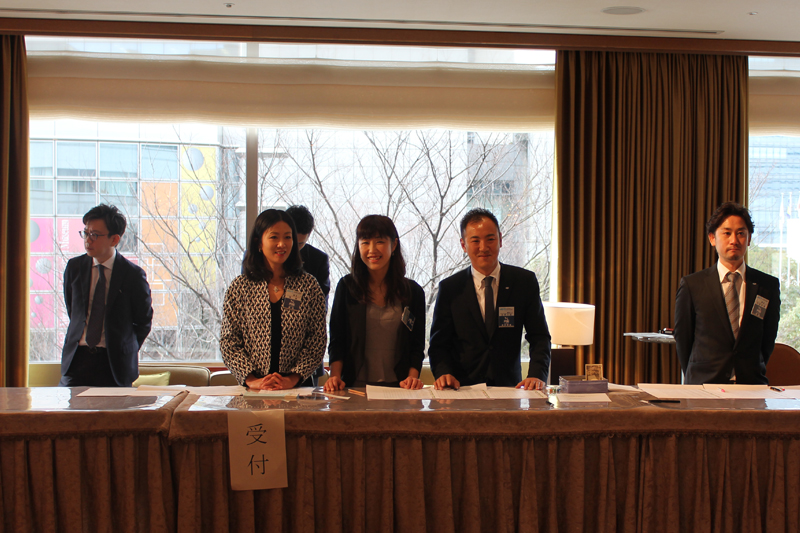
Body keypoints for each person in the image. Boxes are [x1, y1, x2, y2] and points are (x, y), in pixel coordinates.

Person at [428, 208, 551, 390]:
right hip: (463, 390)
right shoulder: (450, 288)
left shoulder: (523, 282)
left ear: (500, 239)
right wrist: (443, 373)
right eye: (475, 240)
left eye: (490, 239)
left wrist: (536, 375)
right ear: (463, 245)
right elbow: (439, 344)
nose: (483, 247)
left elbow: (539, 336)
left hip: (509, 389)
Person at [674, 202, 781, 384]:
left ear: (749, 239)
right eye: (727, 233)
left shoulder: (767, 286)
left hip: (751, 386)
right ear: (712, 238)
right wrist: (695, 376)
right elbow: (683, 339)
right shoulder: (692, 285)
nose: (734, 240)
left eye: (741, 233)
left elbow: (768, 339)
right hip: (704, 385)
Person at [221, 209, 326, 390]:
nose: (281, 244)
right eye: (274, 237)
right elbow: (229, 341)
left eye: (287, 237)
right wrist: (252, 380)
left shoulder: (308, 286)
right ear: (259, 242)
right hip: (254, 389)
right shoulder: (240, 287)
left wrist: (292, 379)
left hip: (298, 389)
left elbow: (316, 341)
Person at [325, 215, 425, 391]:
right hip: (354, 387)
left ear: (394, 245)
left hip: (400, 388)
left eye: (380, 242)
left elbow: (416, 344)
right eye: (365, 242)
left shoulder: (413, 292)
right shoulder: (347, 287)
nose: (372, 250)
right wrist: (335, 377)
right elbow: (337, 339)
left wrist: (412, 378)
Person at [60, 204, 153, 387]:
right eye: (86, 233)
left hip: (114, 365)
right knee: (69, 405)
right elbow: (73, 310)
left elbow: (143, 321)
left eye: (95, 235)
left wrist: (125, 347)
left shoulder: (133, 275)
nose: (88, 240)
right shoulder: (74, 268)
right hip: (77, 359)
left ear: (114, 239)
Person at [286, 205, 330, 387]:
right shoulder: (258, 258)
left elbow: (320, 309)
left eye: (300, 244)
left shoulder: (318, 260)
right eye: (289, 239)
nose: (292, 249)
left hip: (306, 356)